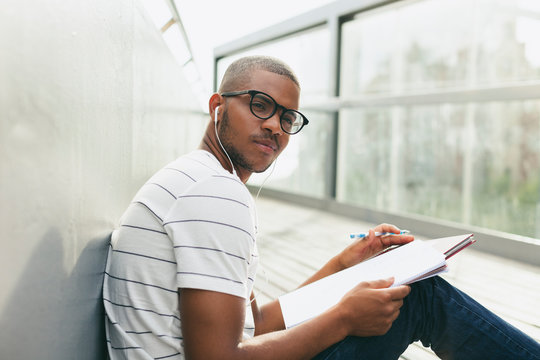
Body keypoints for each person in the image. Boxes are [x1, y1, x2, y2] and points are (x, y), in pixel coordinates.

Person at [103, 55, 540, 360]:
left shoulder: (195, 180)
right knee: (419, 297)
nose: (274, 125)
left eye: (288, 117)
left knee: (402, 289)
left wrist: (342, 266)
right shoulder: (214, 195)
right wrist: (345, 319)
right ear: (218, 105)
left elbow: (255, 323)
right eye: (260, 105)